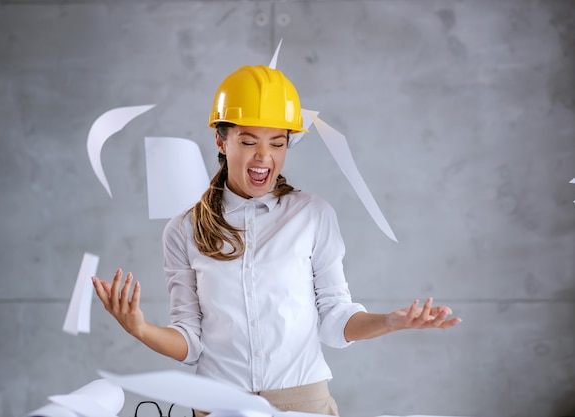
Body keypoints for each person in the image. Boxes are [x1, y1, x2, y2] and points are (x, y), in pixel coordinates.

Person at [92, 65, 461, 416]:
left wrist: (391, 322)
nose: (263, 158)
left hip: (303, 402)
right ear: (220, 139)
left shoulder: (313, 215)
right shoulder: (183, 230)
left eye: (277, 142)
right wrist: (139, 328)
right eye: (248, 140)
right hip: (219, 404)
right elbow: (189, 343)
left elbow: (334, 318)